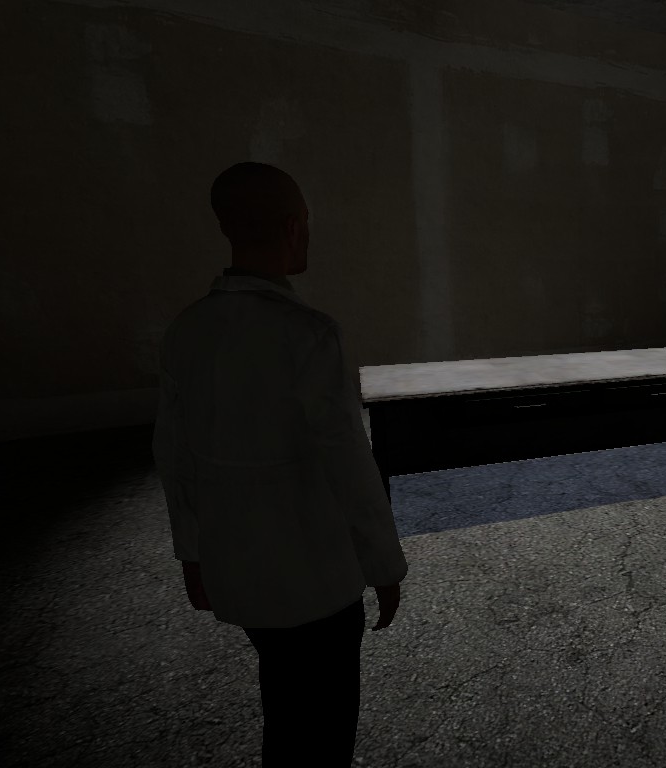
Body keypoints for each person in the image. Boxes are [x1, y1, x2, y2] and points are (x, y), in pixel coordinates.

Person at [151, 161, 406, 767]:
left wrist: (193, 554)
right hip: (317, 579)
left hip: (239, 570)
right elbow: (349, 461)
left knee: (286, 704)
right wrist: (384, 564)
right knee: (324, 725)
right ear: (294, 227)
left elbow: (174, 457)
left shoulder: (187, 331)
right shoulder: (309, 333)